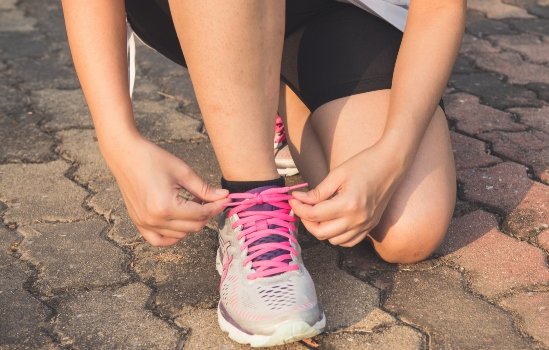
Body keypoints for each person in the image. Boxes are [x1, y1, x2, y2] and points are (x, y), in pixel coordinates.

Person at [62, 0, 464, 346]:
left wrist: (391, 155)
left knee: (407, 230)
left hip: (337, 12)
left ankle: (266, 92)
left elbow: (440, 7)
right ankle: (252, 198)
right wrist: (118, 141)